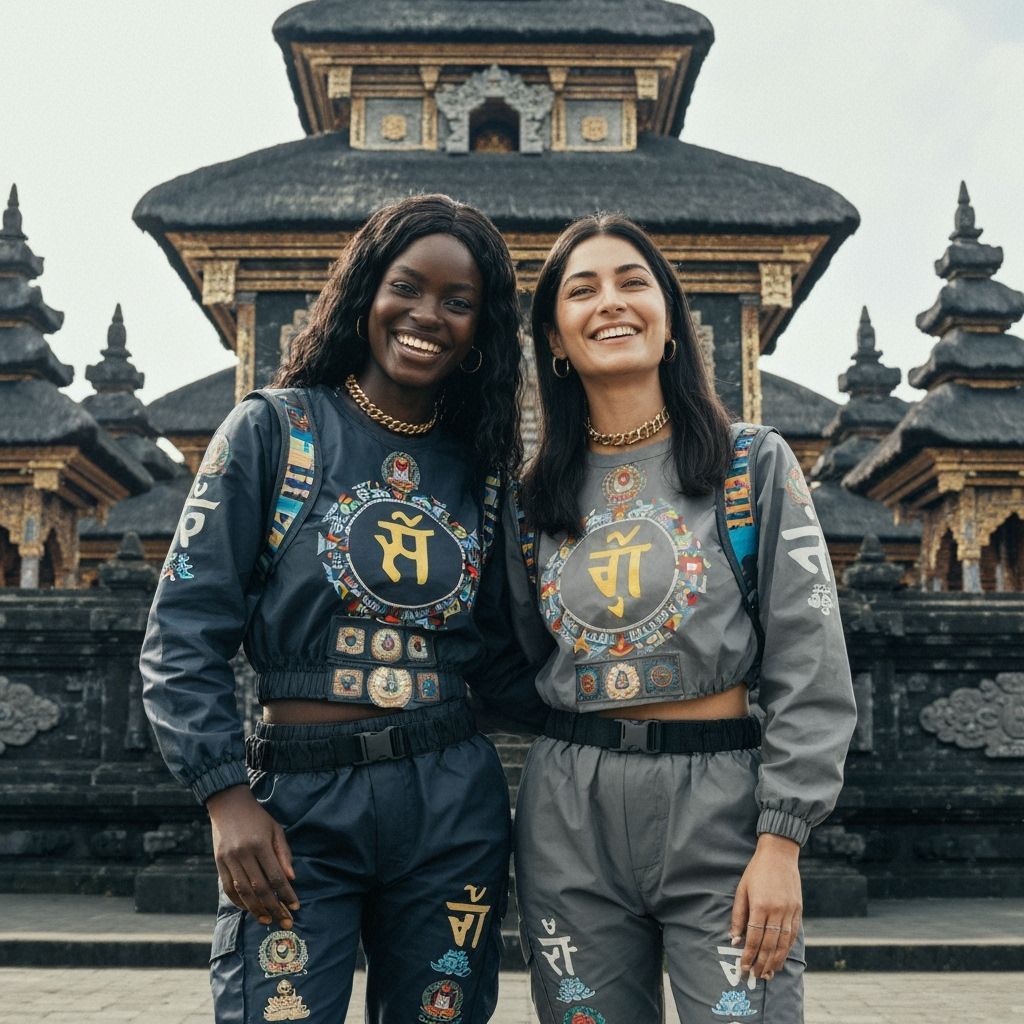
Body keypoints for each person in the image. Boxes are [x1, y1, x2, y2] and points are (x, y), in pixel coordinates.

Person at [140, 194, 543, 1024]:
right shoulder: (275, 431)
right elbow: (182, 631)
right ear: (366, 293)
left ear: (483, 330)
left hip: (451, 806)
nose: (427, 315)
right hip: (295, 800)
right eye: (408, 287)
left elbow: (506, 663)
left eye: (458, 302)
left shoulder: (484, 472)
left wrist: (646, 713)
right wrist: (226, 797)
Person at [506, 213, 857, 1024]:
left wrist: (782, 837)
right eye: (582, 289)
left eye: (634, 283)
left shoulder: (749, 466)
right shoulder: (532, 501)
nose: (611, 303)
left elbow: (810, 658)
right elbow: (512, 656)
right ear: (555, 338)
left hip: (723, 807)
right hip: (569, 812)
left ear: (670, 320)